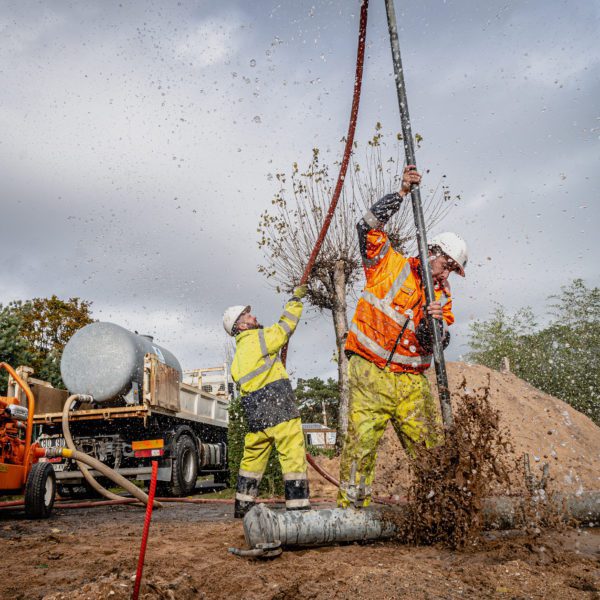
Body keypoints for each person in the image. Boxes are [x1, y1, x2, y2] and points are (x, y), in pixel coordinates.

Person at [338, 165, 468, 508]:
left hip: (412, 383)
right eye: (449, 264)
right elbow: (366, 225)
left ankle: (438, 509)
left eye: (455, 269)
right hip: (369, 372)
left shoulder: (442, 296)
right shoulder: (387, 263)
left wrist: (434, 326)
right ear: (434, 251)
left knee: (428, 449)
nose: (449, 273)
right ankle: (351, 511)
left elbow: (435, 343)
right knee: (360, 446)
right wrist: (401, 194)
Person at [223, 286, 311, 518]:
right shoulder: (259, 339)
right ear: (241, 326)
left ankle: (243, 507)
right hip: (279, 408)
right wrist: (295, 300)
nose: (254, 316)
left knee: (252, 459)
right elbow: (286, 327)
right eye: (247, 315)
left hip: (256, 416)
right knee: (292, 457)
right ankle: (298, 510)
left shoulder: (238, 358)